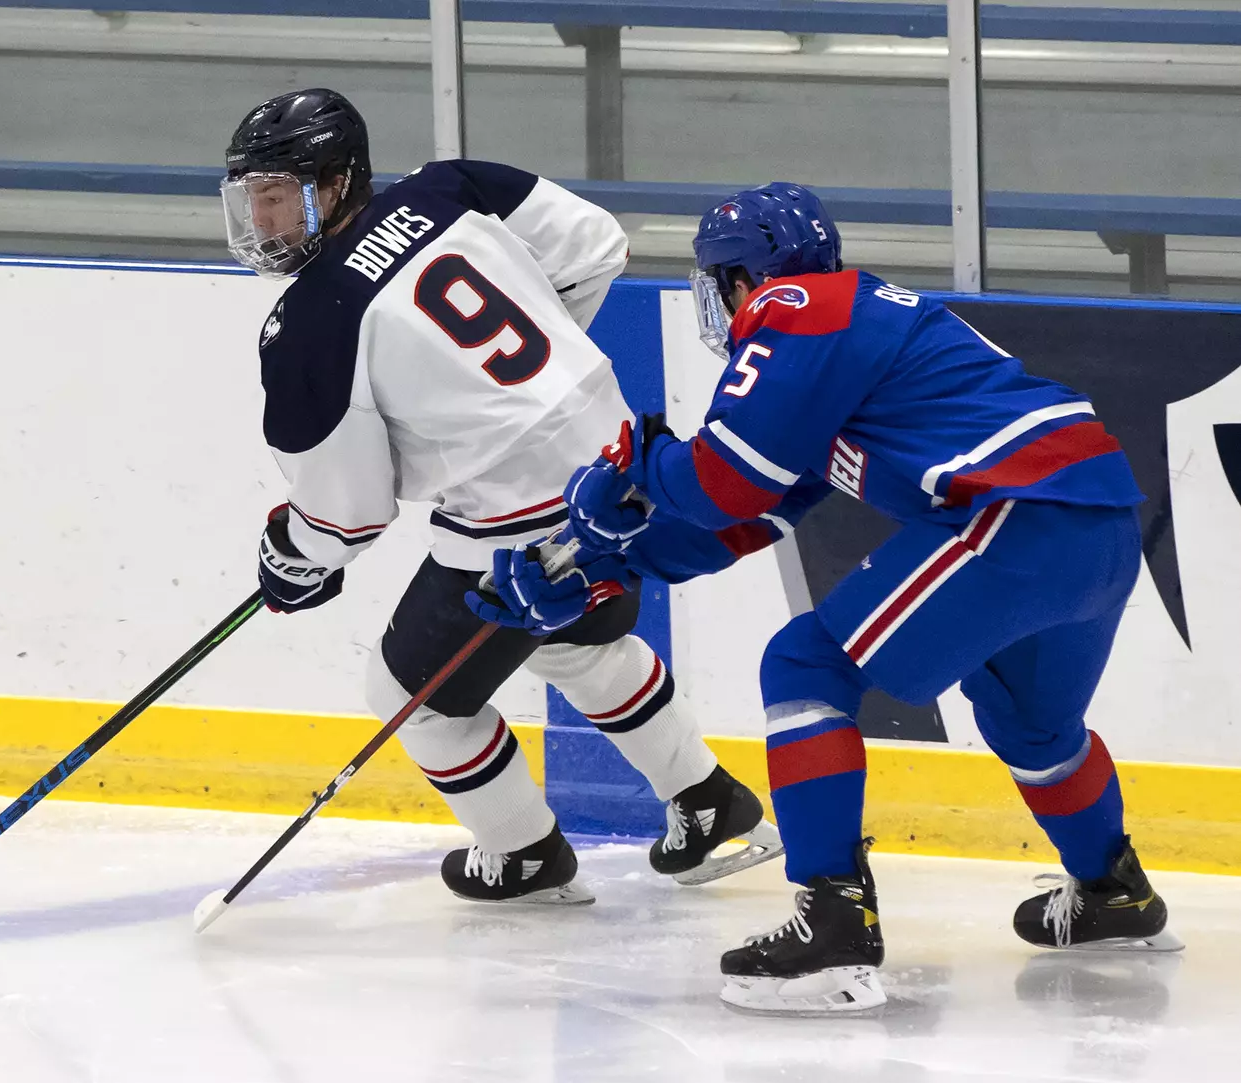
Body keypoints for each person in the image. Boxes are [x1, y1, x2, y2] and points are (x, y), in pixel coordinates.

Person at [492, 181, 1181, 1010]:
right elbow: (746, 516)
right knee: (1031, 724)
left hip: (1019, 512)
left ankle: (833, 927)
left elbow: (718, 484)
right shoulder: (851, 331)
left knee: (807, 664)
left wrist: (633, 473)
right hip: (1097, 525)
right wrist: (612, 570)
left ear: (739, 278)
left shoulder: (795, 307)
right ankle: (1116, 895)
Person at [223, 87, 783, 904]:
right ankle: (710, 803)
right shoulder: (449, 187)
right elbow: (597, 246)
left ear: (338, 180)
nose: (264, 220)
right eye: (254, 199)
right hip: (619, 469)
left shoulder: (310, 321)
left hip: (515, 519)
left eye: (280, 196)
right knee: (574, 643)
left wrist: (295, 558)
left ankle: (524, 854)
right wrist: (539, 375)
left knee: (411, 700)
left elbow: (347, 514)